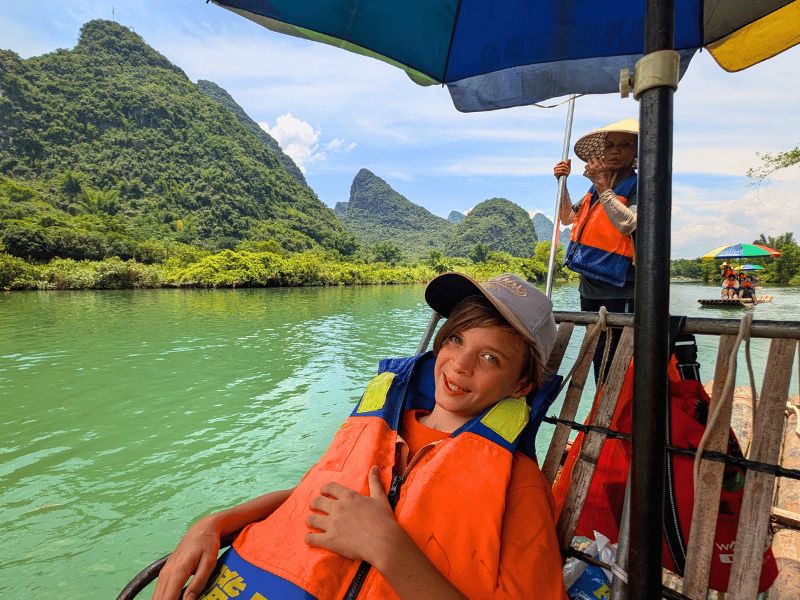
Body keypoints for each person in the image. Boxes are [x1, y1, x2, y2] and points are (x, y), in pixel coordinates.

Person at [152, 272, 565, 600]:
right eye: (456, 339)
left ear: (521, 385)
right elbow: (316, 495)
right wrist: (214, 523)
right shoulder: (383, 426)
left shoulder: (519, 485)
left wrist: (387, 548)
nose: (459, 365)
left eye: (490, 358)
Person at [553, 118, 638, 380]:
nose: (614, 150)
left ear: (635, 153)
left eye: (624, 145)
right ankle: (601, 406)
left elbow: (629, 223)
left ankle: (616, 412)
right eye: (610, 145)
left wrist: (603, 187)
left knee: (617, 357)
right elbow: (568, 218)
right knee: (597, 354)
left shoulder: (638, 185)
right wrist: (562, 184)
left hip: (620, 288)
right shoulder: (595, 189)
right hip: (589, 286)